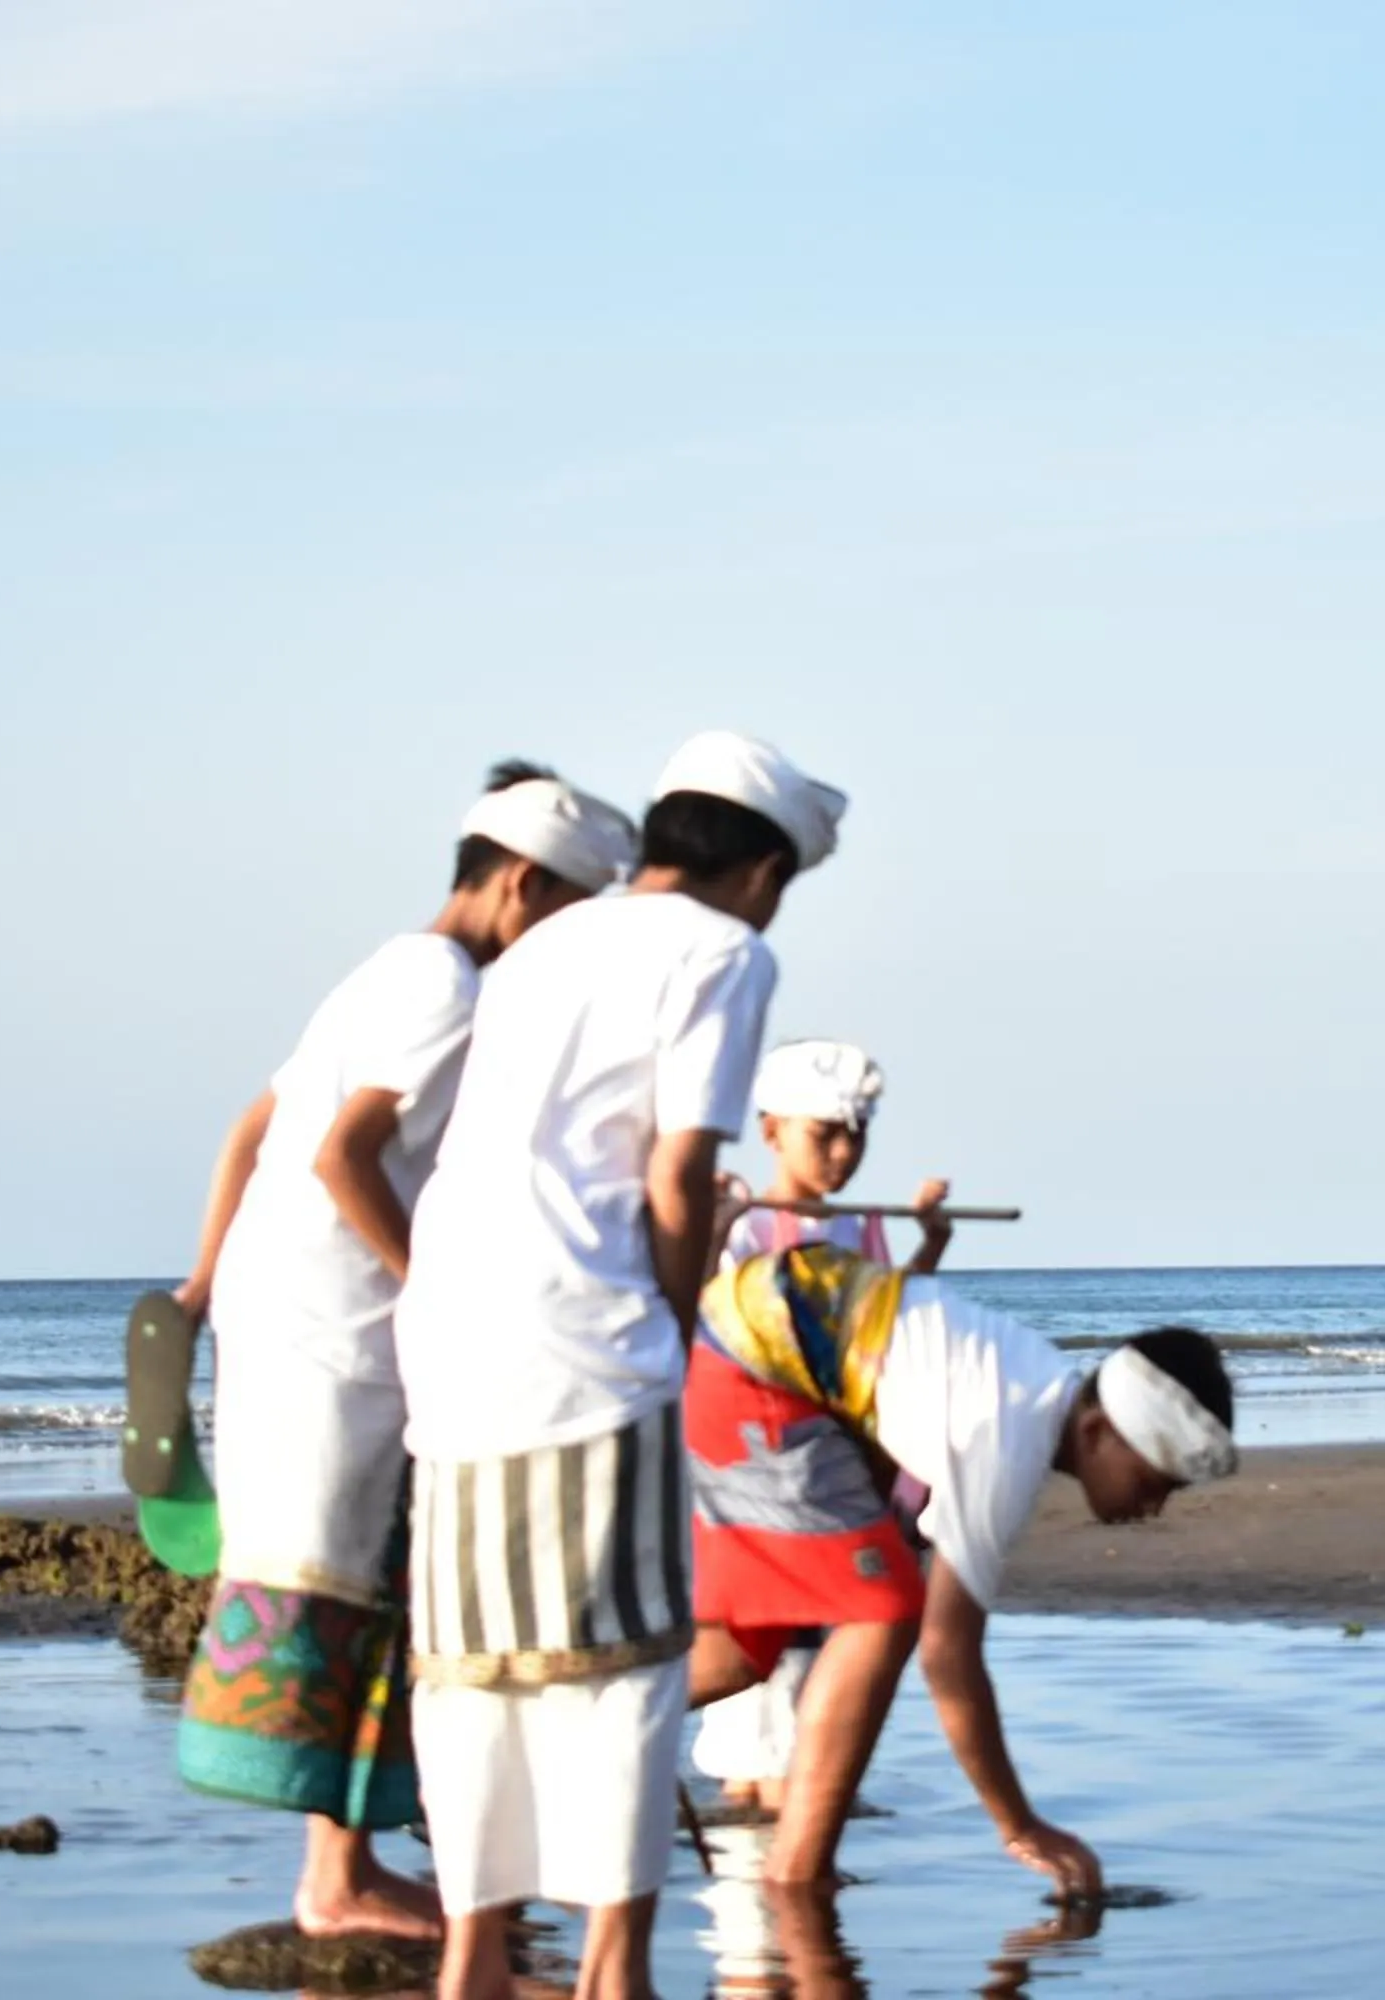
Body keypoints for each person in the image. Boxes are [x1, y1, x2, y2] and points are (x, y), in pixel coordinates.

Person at [394, 730, 846, 2000]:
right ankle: (616, 1966)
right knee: (628, 1662)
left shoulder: (547, 941)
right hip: (587, 1335)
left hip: (452, 1326)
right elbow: (678, 1171)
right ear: (764, 870)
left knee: (472, 1661)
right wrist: (678, 1322)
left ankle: (473, 1960)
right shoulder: (725, 951)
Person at [163, 764, 638, 1940]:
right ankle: (338, 1878)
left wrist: (205, 1278)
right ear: (521, 882)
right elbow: (344, 1152)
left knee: (354, 1564)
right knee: (361, 1574)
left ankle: (361, 1856)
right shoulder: (448, 987)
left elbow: (253, 1128)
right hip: (343, 1322)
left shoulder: (383, 966)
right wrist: (438, 1288)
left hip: (279, 1308)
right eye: (567, 912)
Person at [685, 1241, 1239, 1897]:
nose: (1151, 1508)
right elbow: (947, 1653)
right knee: (886, 1612)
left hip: (747, 1347)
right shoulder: (1014, 1436)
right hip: (752, 1358)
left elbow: (887, 1403)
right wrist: (1019, 1825)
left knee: (745, 1652)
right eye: (1150, 1483)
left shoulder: (1029, 1390)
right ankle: (799, 1874)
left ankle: (588, 1721)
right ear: (1096, 1432)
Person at [693, 1037, 954, 1815]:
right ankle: (774, 1844)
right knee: (764, 1659)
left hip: (837, 1467)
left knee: (807, 1653)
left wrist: (931, 1245)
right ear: (771, 1131)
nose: (843, 1152)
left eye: (856, 1135)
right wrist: (712, 1230)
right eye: (825, 1134)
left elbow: (886, 1326)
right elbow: (703, 1324)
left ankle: (770, 1836)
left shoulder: (859, 1230)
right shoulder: (744, 1229)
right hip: (755, 1472)